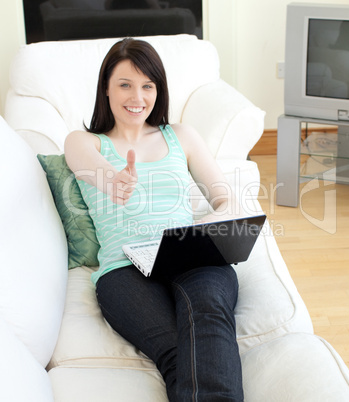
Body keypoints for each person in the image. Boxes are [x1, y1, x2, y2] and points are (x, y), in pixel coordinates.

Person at [64, 38, 244, 401]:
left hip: (189, 252)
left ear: (158, 90)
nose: (138, 96)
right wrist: (113, 181)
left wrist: (217, 218)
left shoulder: (180, 135)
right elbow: (89, 167)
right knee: (177, 352)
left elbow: (225, 197)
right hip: (123, 268)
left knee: (207, 323)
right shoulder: (85, 141)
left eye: (148, 85)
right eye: (125, 84)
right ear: (106, 89)